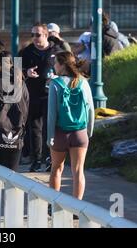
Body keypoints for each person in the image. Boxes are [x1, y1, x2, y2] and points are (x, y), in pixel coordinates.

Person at [47, 51, 94, 200]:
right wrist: (89, 131)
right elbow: (90, 108)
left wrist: (50, 136)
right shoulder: (83, 82)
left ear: (61, 65)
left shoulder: (55, 83)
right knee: (78, 171)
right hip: (80, 133)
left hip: (60, 133)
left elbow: (52, 114)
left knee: (56, 169)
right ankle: (76, 207)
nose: (54, 66)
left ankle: (54, 203)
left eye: (55, 63)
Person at [19, 23, 63, 172]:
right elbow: (13, 71)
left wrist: (57, 77)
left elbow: (66, 69)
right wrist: (26, 73)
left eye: (37, 35)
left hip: (51, 95)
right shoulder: (26, 52)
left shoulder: (56, 51)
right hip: (32, 96)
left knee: (49, 128)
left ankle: (50, 158)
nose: (34, 38)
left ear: (46, 35)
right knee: (34, 129)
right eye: (32, 35)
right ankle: (36, 160)